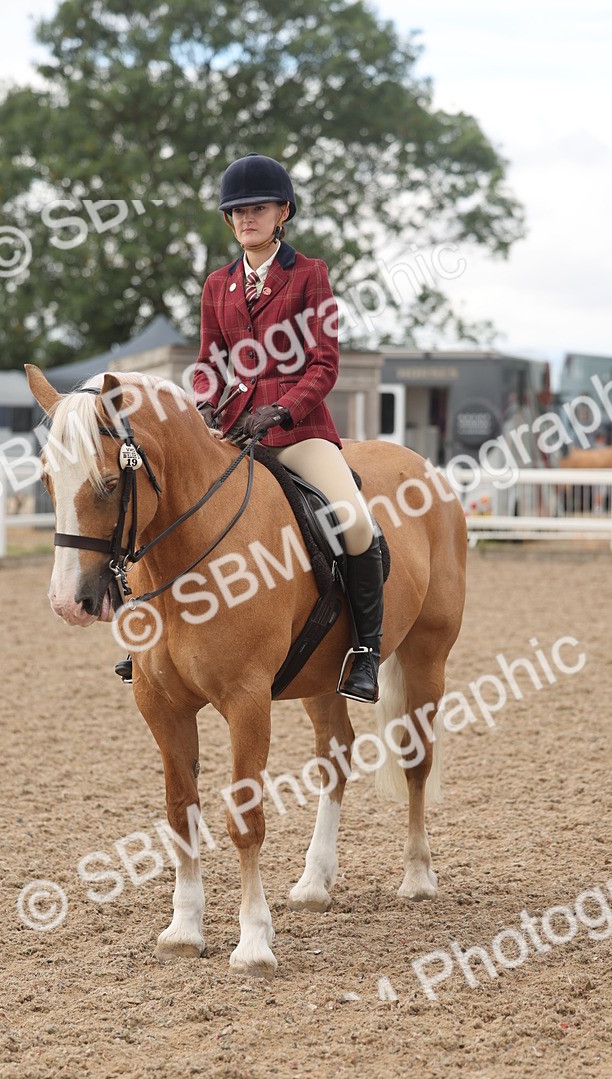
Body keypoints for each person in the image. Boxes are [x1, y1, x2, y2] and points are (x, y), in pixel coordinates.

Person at [191, 153, 384, 702]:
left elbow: (324, 364)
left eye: (257, 208)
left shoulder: (309, 275)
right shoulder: (216, 285)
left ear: (283, 213)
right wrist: (206, 405)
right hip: (233, 430)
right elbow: (210, 364)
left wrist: (282, 409)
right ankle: (159, 646)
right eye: (236, 211)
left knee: (354, 523)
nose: (245, 218)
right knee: (173, 506)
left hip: (297, 433)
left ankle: (365, 652)